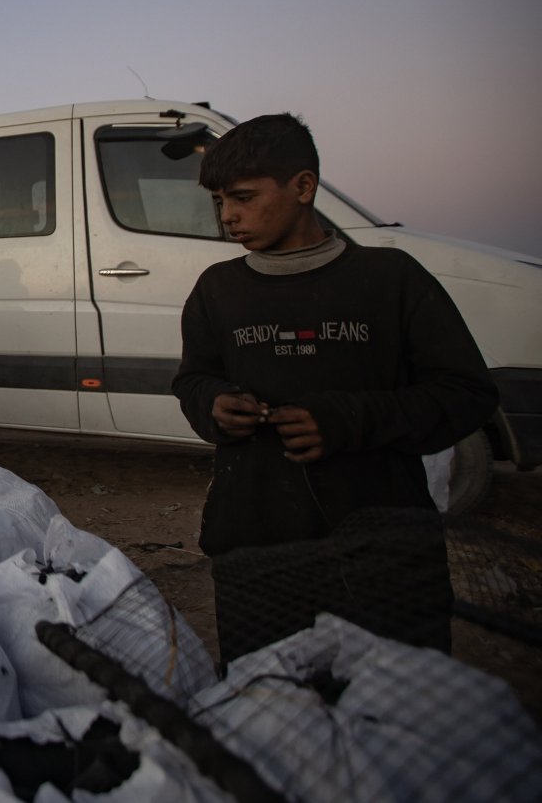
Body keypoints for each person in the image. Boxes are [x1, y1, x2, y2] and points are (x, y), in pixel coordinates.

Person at [172, 113, 497, 665]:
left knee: (392, 712)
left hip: (383, 552)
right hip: (256, 550)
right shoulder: (217, 291)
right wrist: (213, 405)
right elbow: (193, 381)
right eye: (220, 202)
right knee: (273, 710)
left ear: (303, 187)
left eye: (244, 198)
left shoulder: (390, 279)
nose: (229, 217)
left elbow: (465, 393)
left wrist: (345, 422)